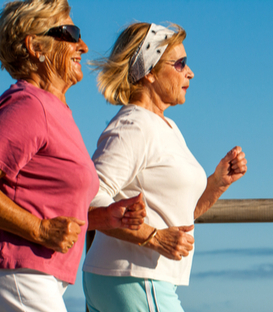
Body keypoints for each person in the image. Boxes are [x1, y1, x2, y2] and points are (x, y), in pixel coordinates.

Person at [0, 1, 145, 311]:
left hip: (33, 274)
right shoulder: (29, 106)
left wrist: (102, 218)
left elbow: (45, 205)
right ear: (35, 45)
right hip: (13, 270)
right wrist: (39, 231)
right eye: (71, 32)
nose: (83, 45)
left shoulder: (54, 110)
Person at [82, 22, 248, 312]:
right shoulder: (133, 125)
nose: (190, 72)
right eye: (180, 63)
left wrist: (218, 183)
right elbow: (88, 199)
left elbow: (177, 215)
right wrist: (154, 238)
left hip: (134, 279)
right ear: (149, 71)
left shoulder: (166, 126)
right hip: (134, 278)